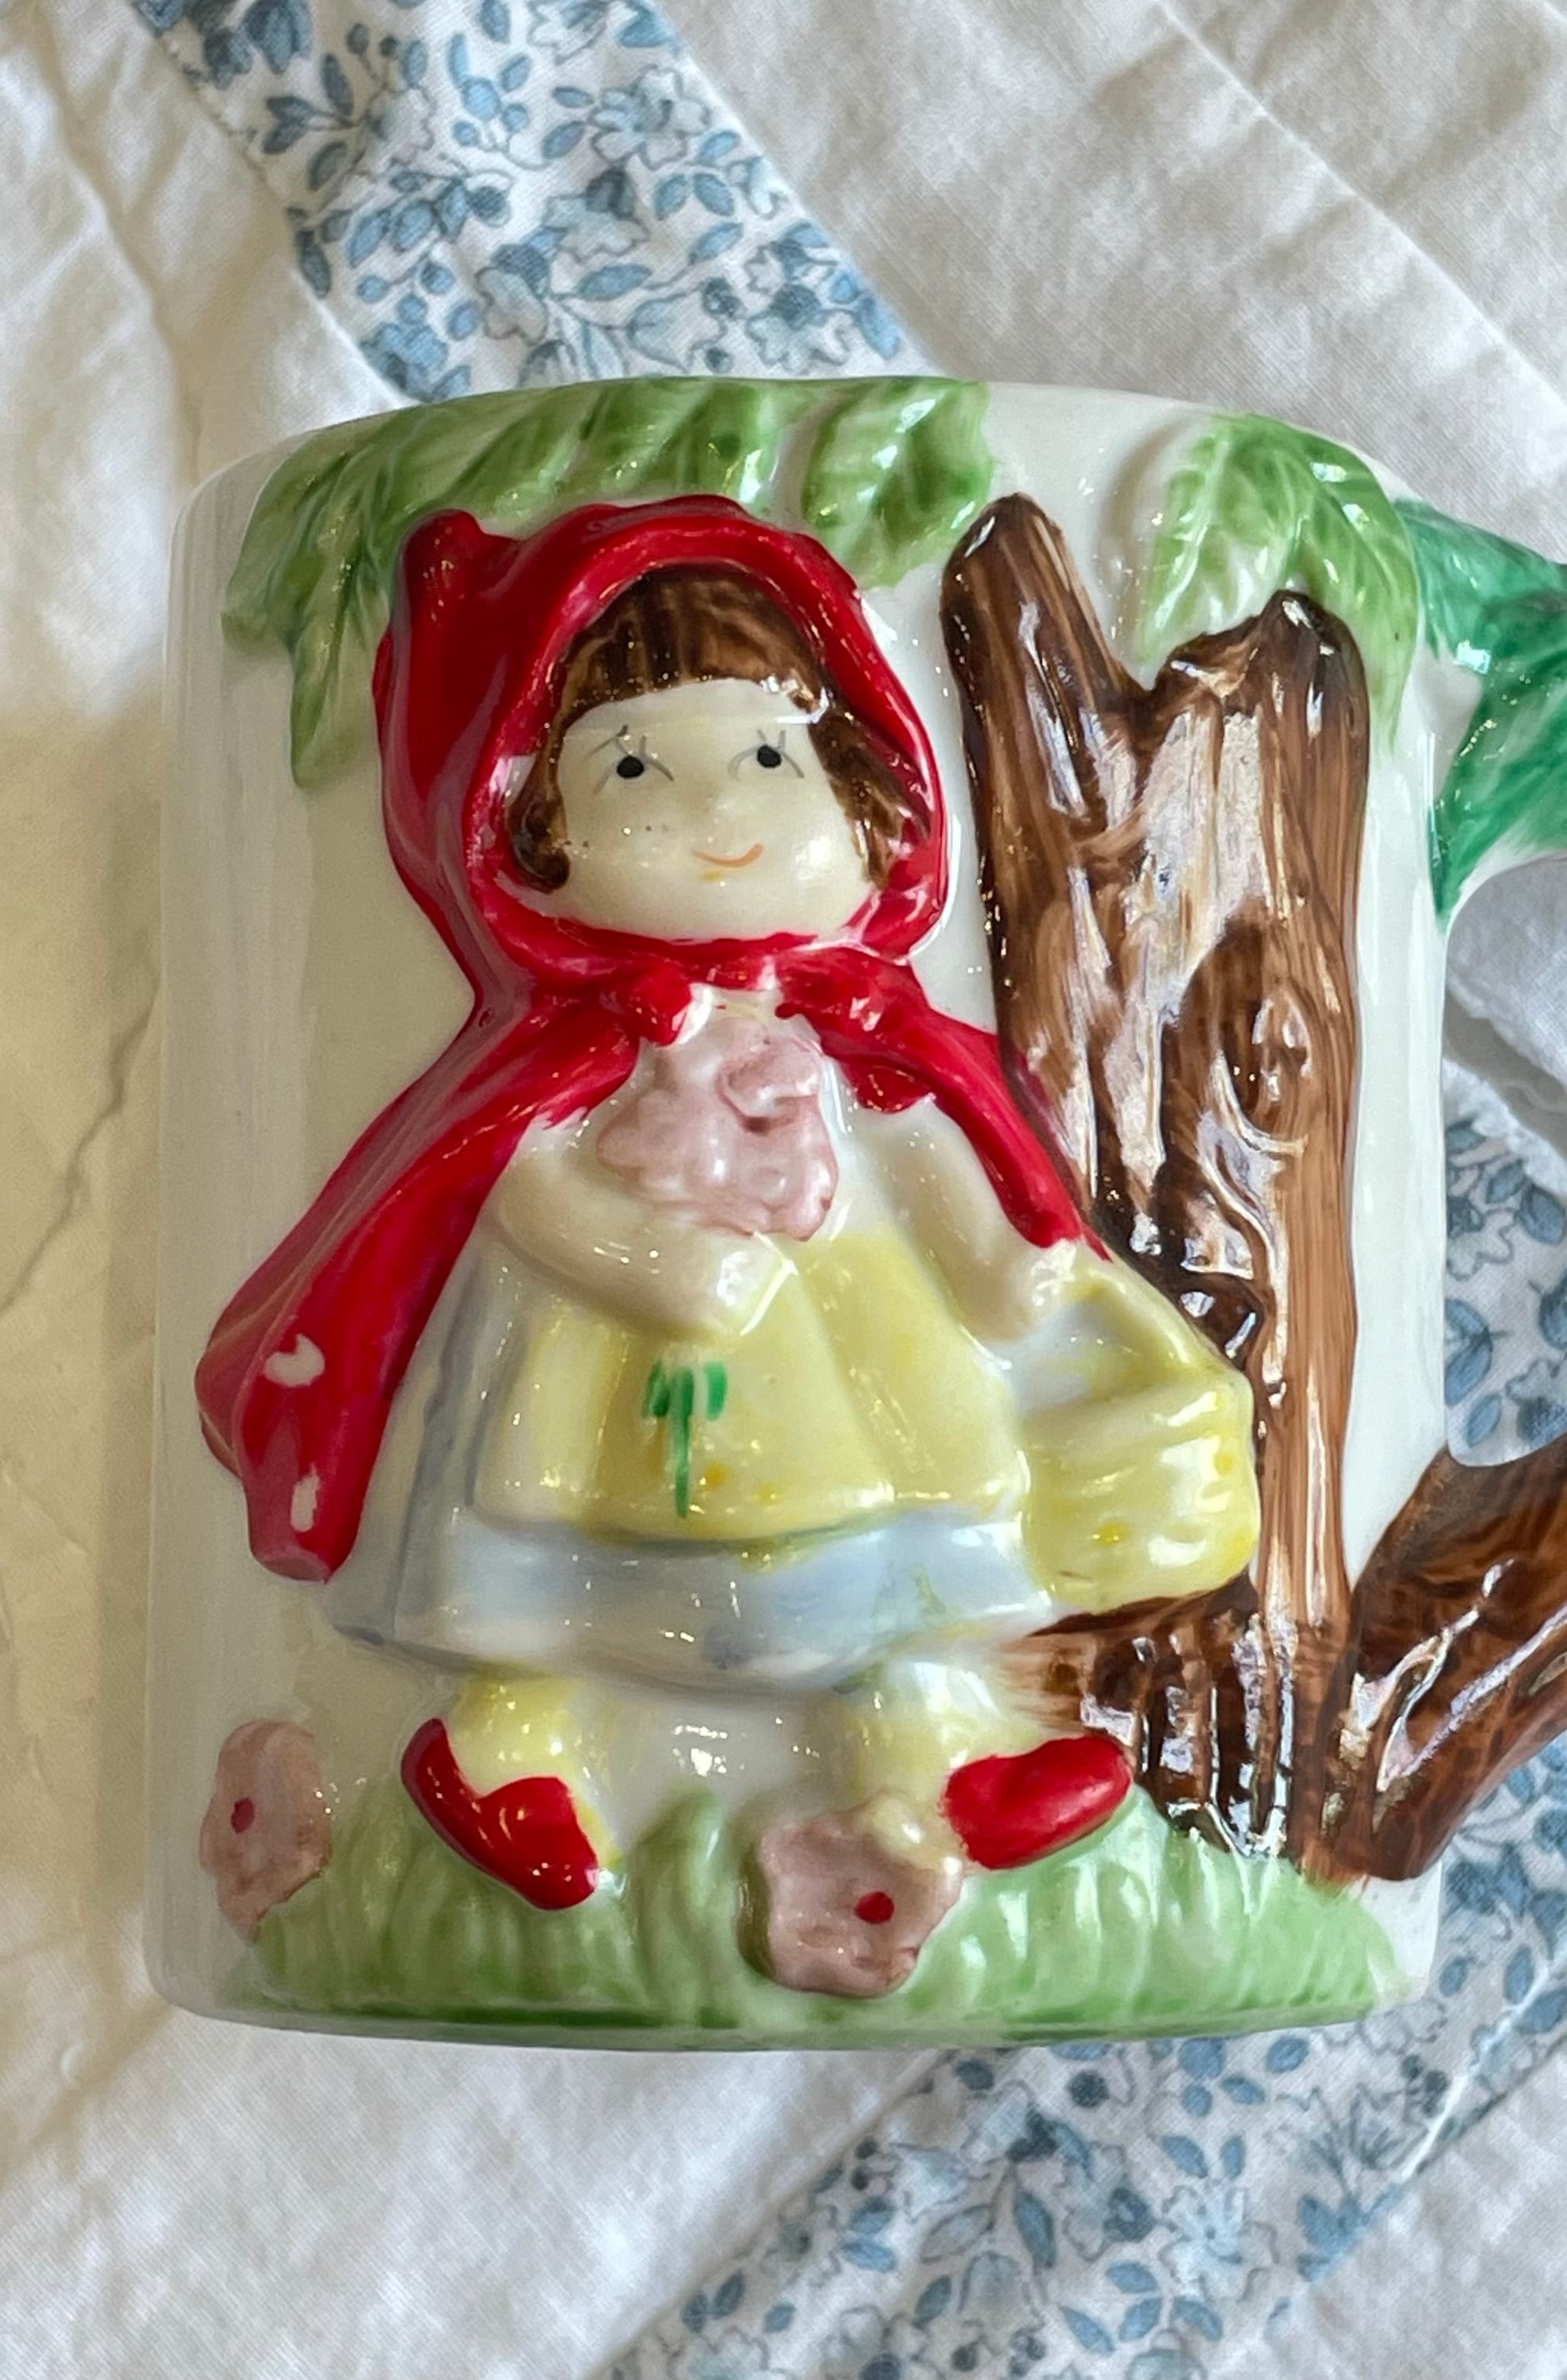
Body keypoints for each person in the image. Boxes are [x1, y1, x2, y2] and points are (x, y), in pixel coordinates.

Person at [198, 497, 1258, 1994]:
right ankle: (507, 1749)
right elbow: (520, 1187)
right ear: (528, 827)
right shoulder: (581, 1054)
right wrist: (652, 1264)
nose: (716, 810)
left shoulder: (859, 1034)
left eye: (769, 756)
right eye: (632, 768)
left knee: (898, 1573)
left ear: (864, 789)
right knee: (539, 1584)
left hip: (850, 1355)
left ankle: (936, 1764)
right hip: (603, 1370)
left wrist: (991, 1262)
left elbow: (921, 1143)